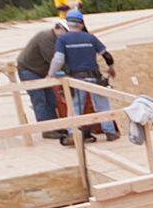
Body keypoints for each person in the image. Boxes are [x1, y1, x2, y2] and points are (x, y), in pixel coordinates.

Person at [48, 10, 119, 140]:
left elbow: (58, 59)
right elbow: (107, 56)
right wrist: (111, 69)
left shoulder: (63, 39)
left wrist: (51, 74)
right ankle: (110, 132)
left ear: (68, 24)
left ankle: (72, 133)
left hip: (76, 79)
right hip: (94, 77)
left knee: (75, 107)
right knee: (102, 105)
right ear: (81, 24)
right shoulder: (90, 38)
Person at [15, 21, 66, 138]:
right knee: (39, 99)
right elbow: (53, 59)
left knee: (51, 99)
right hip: (29, 70)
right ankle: (46, 129)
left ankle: (54, 126)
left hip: (41, 71)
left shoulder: (56, 39)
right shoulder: (46, 38)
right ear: (59, 29)